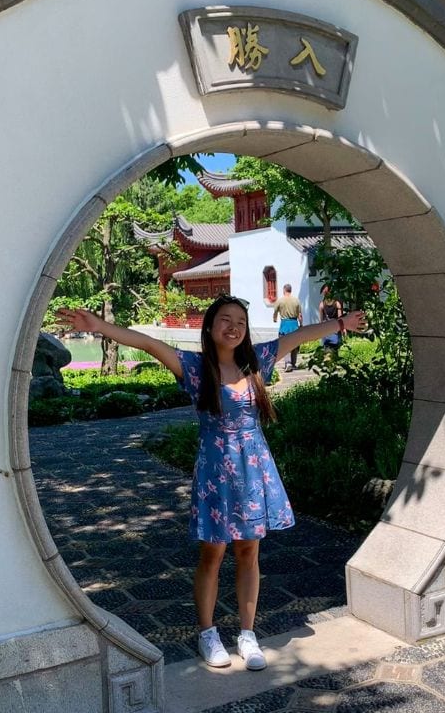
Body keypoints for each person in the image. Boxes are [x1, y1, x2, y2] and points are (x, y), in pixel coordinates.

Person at [56, 297, 366, 672]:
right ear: (210, 326)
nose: (233, 327)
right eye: (225, 319)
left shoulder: (257, 361)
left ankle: (247, 634)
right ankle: (208, 633)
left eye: (240, 321)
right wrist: (100, 326)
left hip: (253, 472)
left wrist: (341, 324)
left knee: (249, 552)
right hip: (216, 475)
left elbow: (300, 334)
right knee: (213, 554)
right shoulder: (195, 367)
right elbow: (150, 344)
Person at [272, 283, 302, 371]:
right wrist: (301, 324)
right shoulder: (296, 301)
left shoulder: (280, 301)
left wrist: (274, 319)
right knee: (295, 344)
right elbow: (300, 315)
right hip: (294, 323)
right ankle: (293, 363)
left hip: (285, 324)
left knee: (285, 344)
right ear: (290, 290)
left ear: (284, 290)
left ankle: (288, 363)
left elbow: (275, 312)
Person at [318, 284, 344, 358]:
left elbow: (321, 321)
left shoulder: (321, 305)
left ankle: (327, 362)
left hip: (326, 329)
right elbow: (340, 319)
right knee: (335, 348)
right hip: (335, 328)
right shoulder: (337, 304)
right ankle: (334, 361)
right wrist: (343, 329)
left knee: (326, 348)